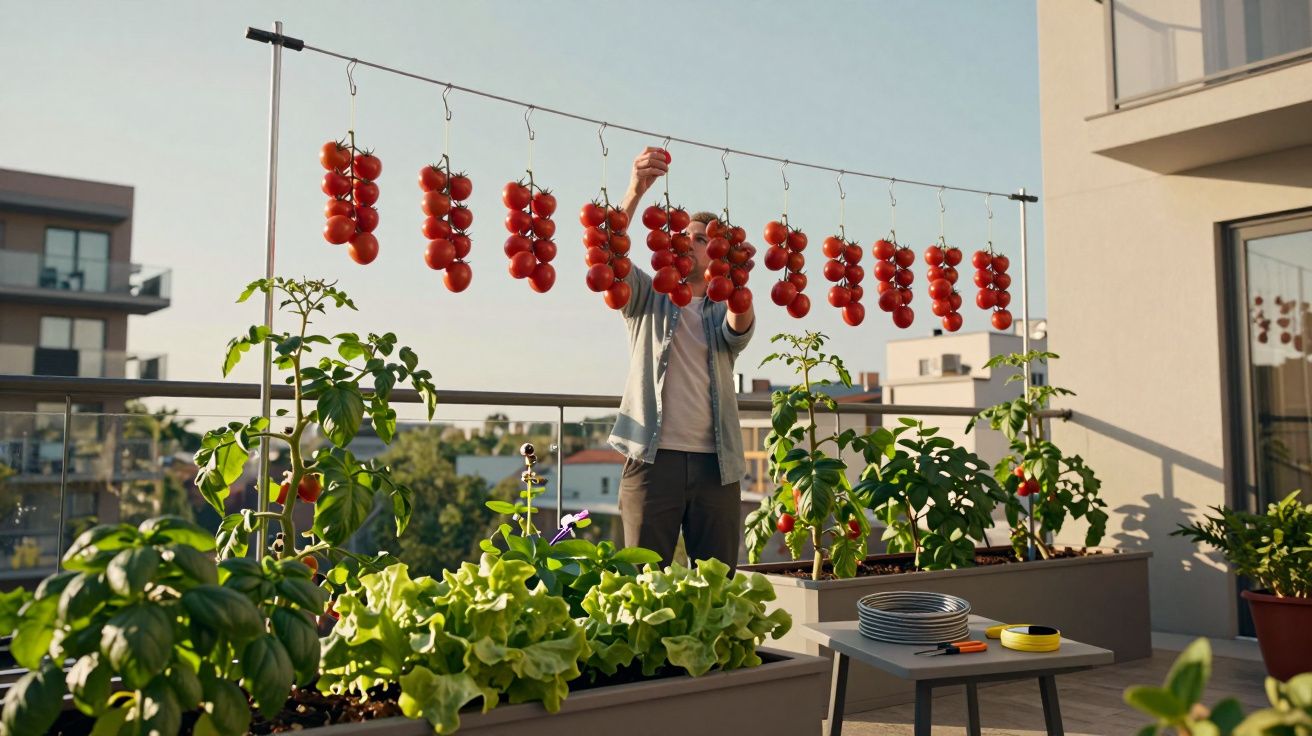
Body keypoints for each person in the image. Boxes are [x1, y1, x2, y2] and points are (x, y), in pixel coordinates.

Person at [607, 146, 756, 569]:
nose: (689, 242)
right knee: (641, 581)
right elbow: (610, 257)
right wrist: (635, 191)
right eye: (685, 235)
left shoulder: (723, 304)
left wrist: (735, 276)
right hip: (652, 458)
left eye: (703, 238)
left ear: (719, 252)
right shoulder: (648, 295)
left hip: (717, 466)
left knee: (717, 583)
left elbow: (740, 327)